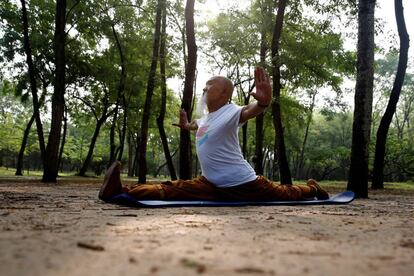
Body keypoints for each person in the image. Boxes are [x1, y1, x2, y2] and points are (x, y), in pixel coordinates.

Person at [99, 67, 329, 202]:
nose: (204, 88)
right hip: (210, 183)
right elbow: (196, 127)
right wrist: (187, 125)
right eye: (205, 86)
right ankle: (118, 191)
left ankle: (313, 189)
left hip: (243, 183)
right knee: (170, 188)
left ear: (224, 94)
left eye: (210, 86)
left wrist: (264, 104)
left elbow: (251, 110)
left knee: (285, 193)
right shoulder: (206, 119)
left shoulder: (232, 111)